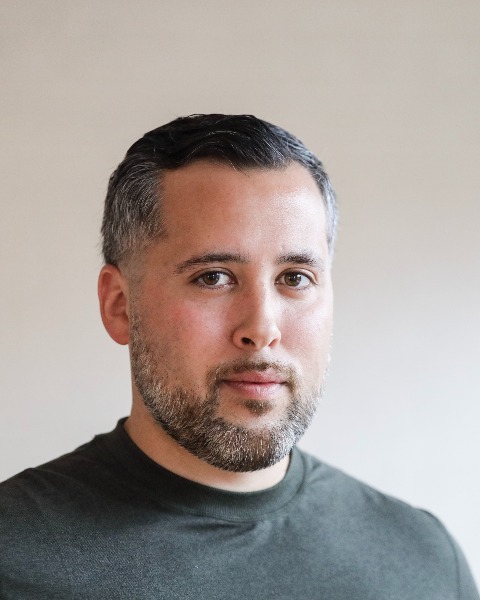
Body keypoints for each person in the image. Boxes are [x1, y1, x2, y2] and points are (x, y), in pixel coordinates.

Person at [0, 114, 478, 599]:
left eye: (295, 278)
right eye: (213, 277)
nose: (262, 329)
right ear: (120, 305)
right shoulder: (13, 558)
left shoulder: (427, 564)